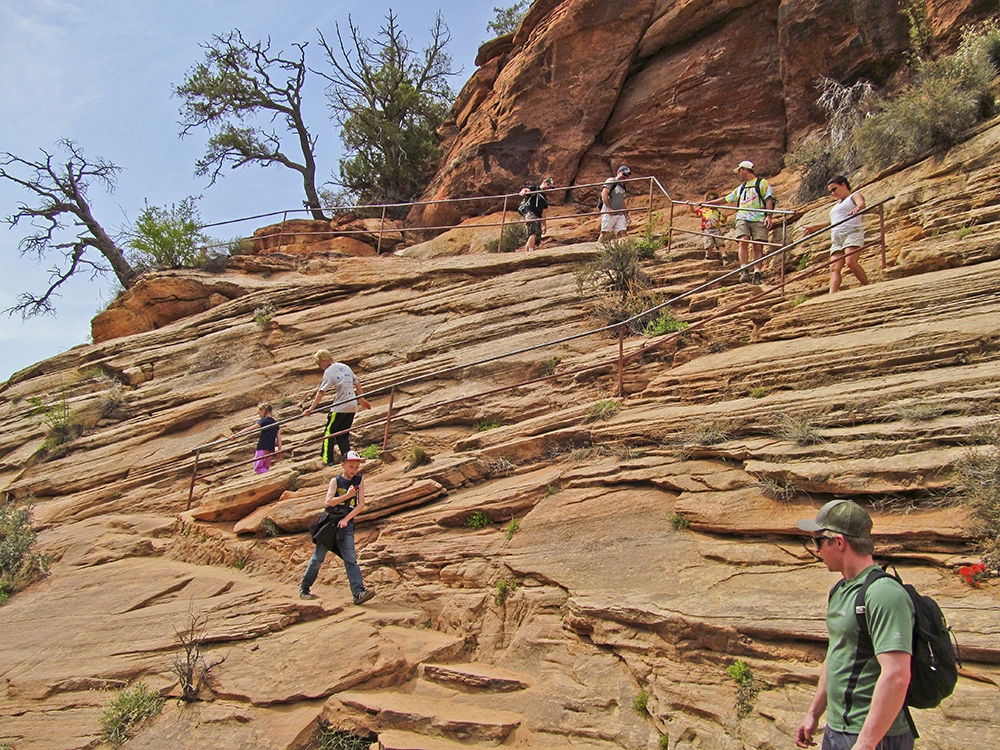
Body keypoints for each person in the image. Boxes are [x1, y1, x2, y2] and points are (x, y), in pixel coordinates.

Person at [795, 500, 915, 750]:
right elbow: (837, 653)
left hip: (874, 736)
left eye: (818, 541)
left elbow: (897, 674)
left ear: (839, 542)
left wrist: (866, 743)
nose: (815, 549)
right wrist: (814, 713)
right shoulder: (840, 590)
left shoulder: (883, 594)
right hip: (838, 730)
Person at [300, 450, 375, 605]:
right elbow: (328, 502)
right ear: (343, 465)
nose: (354, 470)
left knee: (350, 559)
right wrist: (347, 496)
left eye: (356, 467)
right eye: (351, 466)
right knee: (318, 558)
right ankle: (305, 588)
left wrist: (347, 519)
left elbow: (361, 504)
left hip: (345, 524)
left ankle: (358, 593)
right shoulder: (335, 481)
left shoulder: (359, 481)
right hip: (330, 523)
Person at [802, 176, 871, 294]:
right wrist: (815, 227)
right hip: (837, 236)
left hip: (851, 231)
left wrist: (858, 208)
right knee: (834, 268)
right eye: (831, 191)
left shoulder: (853, 196)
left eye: (834, 189)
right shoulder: (836, 206)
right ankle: (831, 295)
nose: (833, 193)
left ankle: (868, 286)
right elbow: (832, 222)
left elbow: (862, 203)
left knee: (850, 262)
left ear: (843, 185)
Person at [303, 350, 372, 465]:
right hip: (352, 405)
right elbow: (357, 382)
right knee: (342, 435)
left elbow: (321, 392)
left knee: (329, 433)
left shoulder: (329, 372)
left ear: (324, 360)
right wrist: (361, 398)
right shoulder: (345, 367)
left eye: (319, 364)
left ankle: (327, 461)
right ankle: (348, 459)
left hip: (340, 406)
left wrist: (311, 408)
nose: (320, 367)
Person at [717, 160, 774, 285]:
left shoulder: (762, 183)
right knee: (743, 240)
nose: (739, 174)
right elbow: (726, 199)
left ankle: (757, 271)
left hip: (759, 218)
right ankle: (744, 269)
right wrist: (706, 204)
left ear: (745, 169)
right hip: (743, 218)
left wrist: (769, 216)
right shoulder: (740, 188)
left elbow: (768, 199)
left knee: (758, 245)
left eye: (739, 171)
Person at [229, 402, 282, 474]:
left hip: (262, 447)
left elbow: (249, 429)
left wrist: (235, 435)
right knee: (265, 468)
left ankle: (273, 476)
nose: (259, 415)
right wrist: (279, 450)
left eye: (259, 412)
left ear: (263, 411)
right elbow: (279, 438)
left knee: (258, 468)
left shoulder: (264, 420)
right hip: (270, 449)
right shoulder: (275, 422)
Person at [689, 190, 727, 262]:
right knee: (709, 243)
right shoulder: (704, 210)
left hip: (716, 228)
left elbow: (723, 221)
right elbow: (694, 211)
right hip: (707, 229)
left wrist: (725, 218)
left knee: (720, 241)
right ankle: (707, 255)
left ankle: (724, 254)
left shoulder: (718, 212)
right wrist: (691, 205)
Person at [600, 165, 631, 242]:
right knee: (605, 233)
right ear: (618, 172)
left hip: (619, 213)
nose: (625, 177)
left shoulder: (623, 186)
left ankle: (625, 251)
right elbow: (604, 193)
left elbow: (623, 201)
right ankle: (597, 250)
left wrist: (626, 215)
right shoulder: (611, 181)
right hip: (609, 212)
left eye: (627, 176)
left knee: (622, 233)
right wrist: (608, 208)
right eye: (624, 174)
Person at [518, 180, 550, 251]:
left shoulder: (544, 198)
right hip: (530, 213)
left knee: (536, 234)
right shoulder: (535, 189)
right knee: (533, 232)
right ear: (544, 182)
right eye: (548, 185)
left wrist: (544, 225)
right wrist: (523, 191)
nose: (549, 188)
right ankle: (531, 250)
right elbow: (527, 190)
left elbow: (543, 213)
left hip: (537, 216)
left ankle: (527, 252)